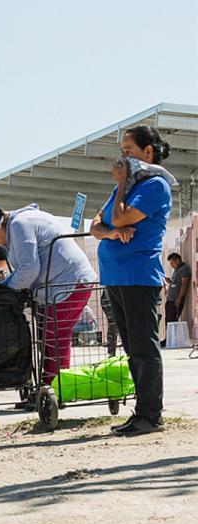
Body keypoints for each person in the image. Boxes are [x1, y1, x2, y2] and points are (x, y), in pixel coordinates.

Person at [89, 125, 172, 436]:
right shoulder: (125, 188)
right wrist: (109, 231)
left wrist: (122, 183)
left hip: (138, 276)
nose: (121, 160)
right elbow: (98, 223)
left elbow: (121, 217)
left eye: (128, 152)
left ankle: (151, 415)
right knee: (131, 348)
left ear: (147, 153)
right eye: (120, 154)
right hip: (116, 276)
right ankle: (141, 411)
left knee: (143, 347)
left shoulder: (154, 186)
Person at [0, 204, 97, 389]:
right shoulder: (16, 227)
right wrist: (3, 287)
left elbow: (29, 269)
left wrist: (2, 290)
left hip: (69, 284)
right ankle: (48, 388)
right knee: (48, 339)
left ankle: (56, 390)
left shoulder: (20, 225)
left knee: (55, 339)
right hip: (57, 287)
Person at [166, 253, 191, 327]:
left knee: (173, 321)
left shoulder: (184, 269)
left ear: (177, 260)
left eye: (172, 263)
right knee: (168, 321)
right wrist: (170, 281)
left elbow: (184, 285)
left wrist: (178, 299)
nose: (171, 265)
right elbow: (176, 283)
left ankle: (173, 338)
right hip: (170, 300)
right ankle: (168, 338)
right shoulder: (176, 270)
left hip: (175, 300)